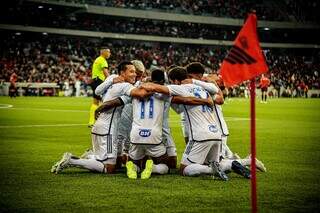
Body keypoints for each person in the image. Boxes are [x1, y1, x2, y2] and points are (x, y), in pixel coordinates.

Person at [51, 61, 151, 175]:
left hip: (99, 126)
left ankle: (90, 155)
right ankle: (72, 160)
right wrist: (154, 87)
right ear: (122, 73)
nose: (135, 75)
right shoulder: (125, 86)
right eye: (132, 72)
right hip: (108, 131)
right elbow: (141, 94)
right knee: (109, 168)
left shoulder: (112, 77)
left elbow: (97, 91)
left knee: (106, 160)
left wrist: (111, 83)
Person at [141, 67, 228, 180]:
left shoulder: (181, 88)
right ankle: (239, 163)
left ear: (176, 81)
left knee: (184, 169)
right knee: (212, 162)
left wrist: (143, 84)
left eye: (172, 82)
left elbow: (153, 87)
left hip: (200, 136)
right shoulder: (203, 89)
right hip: (216, 134)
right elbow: (218, 96)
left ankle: (211, 170)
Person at [88, 48, 111, 127]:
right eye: (108, 52)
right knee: (105, 101)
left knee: (95, 102)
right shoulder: (102, 60)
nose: (109, 53)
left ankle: (91, 122)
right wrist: (111, 80)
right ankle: (102, 121)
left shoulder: (97, 59)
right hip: (99, 82)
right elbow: (105, 72)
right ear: (103, 52)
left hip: (95, 81)